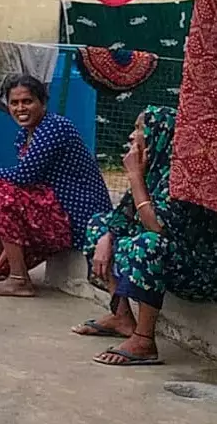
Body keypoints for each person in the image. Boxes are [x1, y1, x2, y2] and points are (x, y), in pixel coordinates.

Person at [74, 106, 217, 365]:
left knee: (148, 243)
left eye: (140, 128)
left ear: (160, 135)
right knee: (99, 226)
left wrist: (134, 175)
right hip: (171, 260)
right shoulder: (154, 168)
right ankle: (121, 317)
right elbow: (121, 217)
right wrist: (107, 237)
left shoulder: (182, 179)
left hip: (199, 272)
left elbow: (156, 227)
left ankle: (144, 341)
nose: (132, 135)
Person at [0, 74, 110, 297]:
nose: (20, 108)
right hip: (55, 206)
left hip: (77, 217)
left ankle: (19, 280)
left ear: (42, 103)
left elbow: (24, 175)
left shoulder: (54, 128)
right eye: (14, 103)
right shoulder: (26, 134)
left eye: (27, 101)